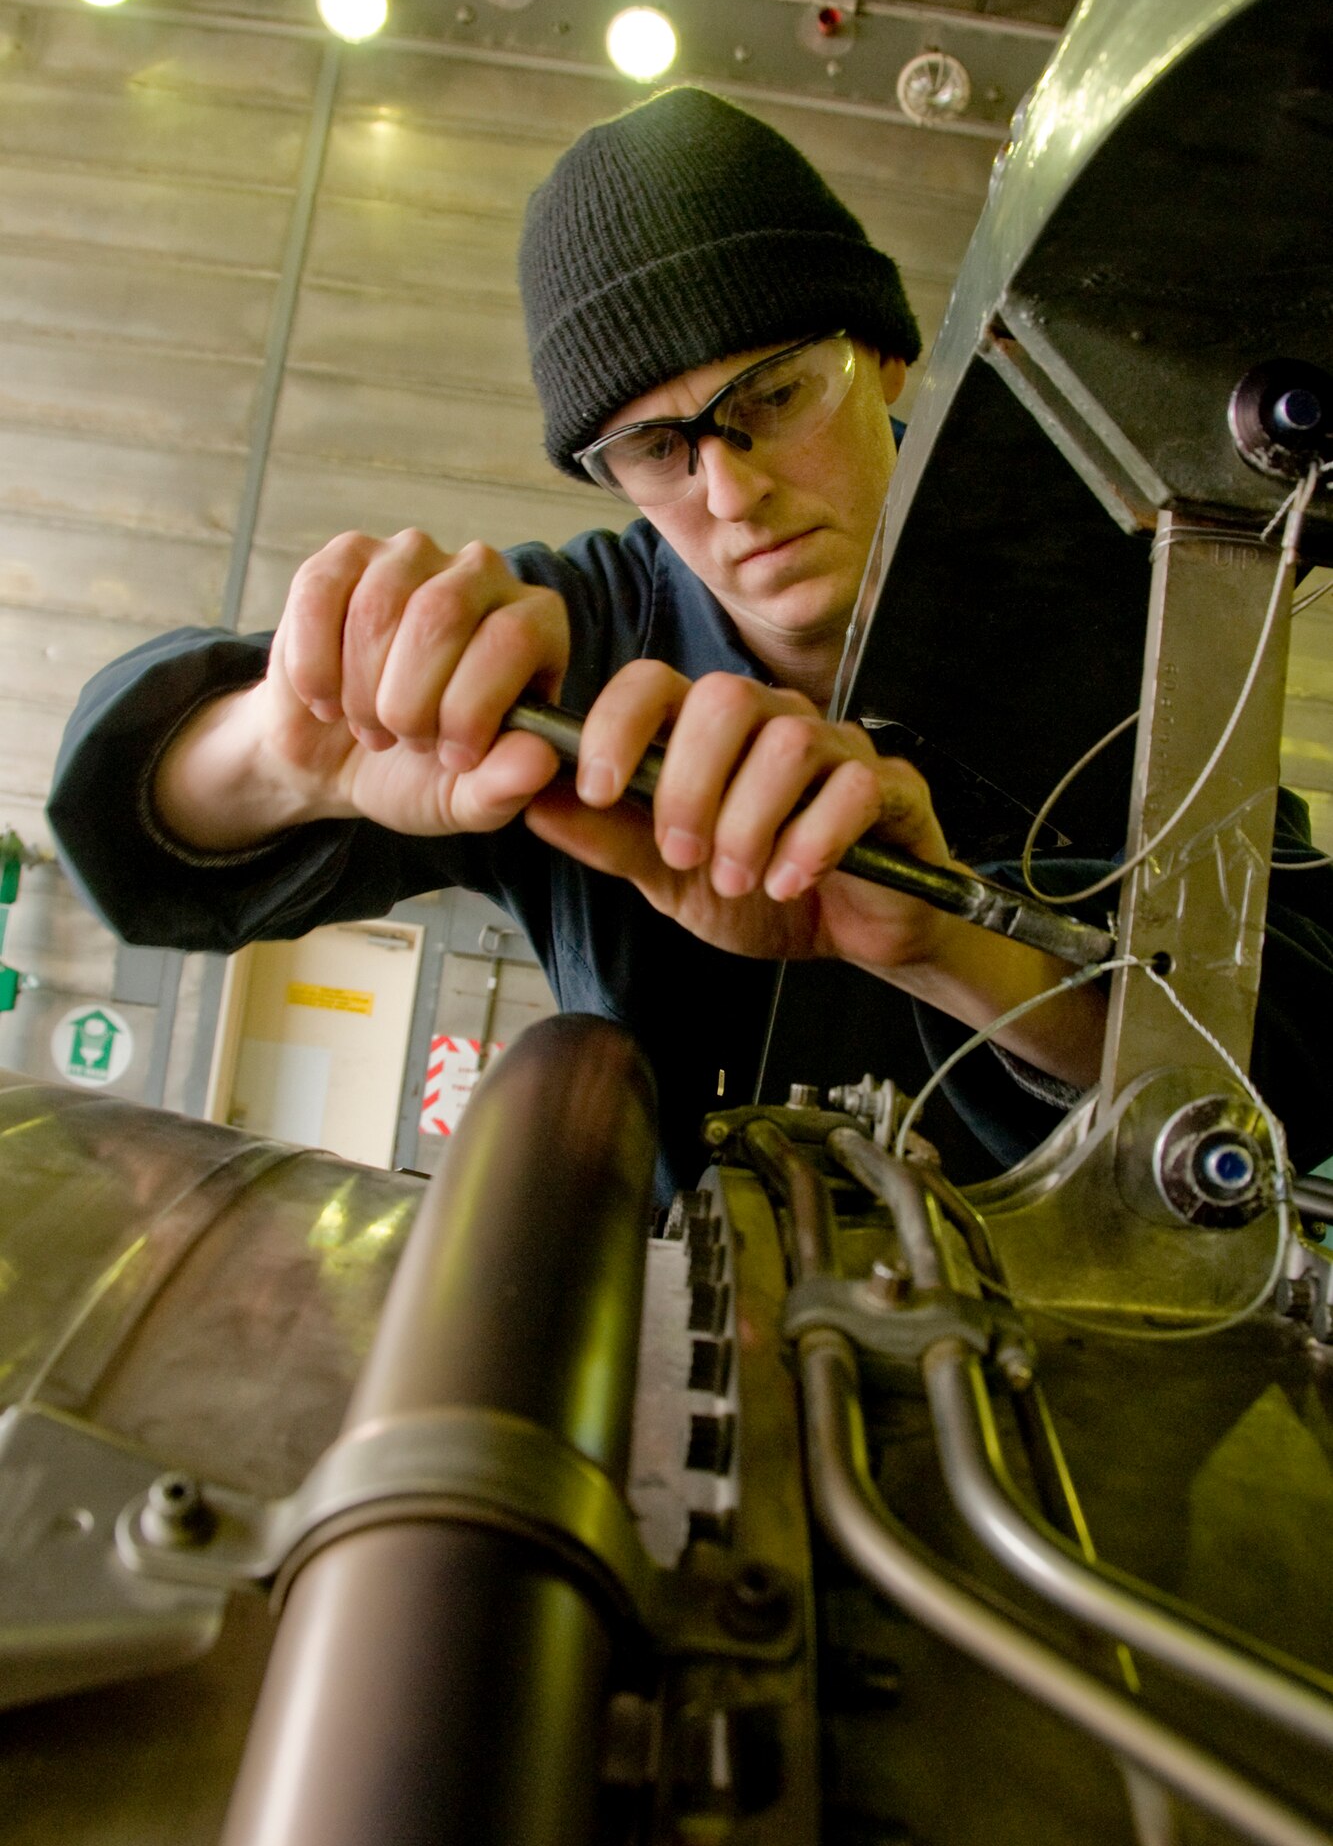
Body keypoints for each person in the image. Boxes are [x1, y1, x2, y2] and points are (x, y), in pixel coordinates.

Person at [48, 88, 1333, 1197]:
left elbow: (1292, 1047)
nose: (731, 492)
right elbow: (130, 833)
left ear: (883, 357)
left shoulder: (1123, 616)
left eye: (772, 396)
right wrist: (287, 753)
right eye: (656, 449)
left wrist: (956, 944)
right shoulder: (557, 654)